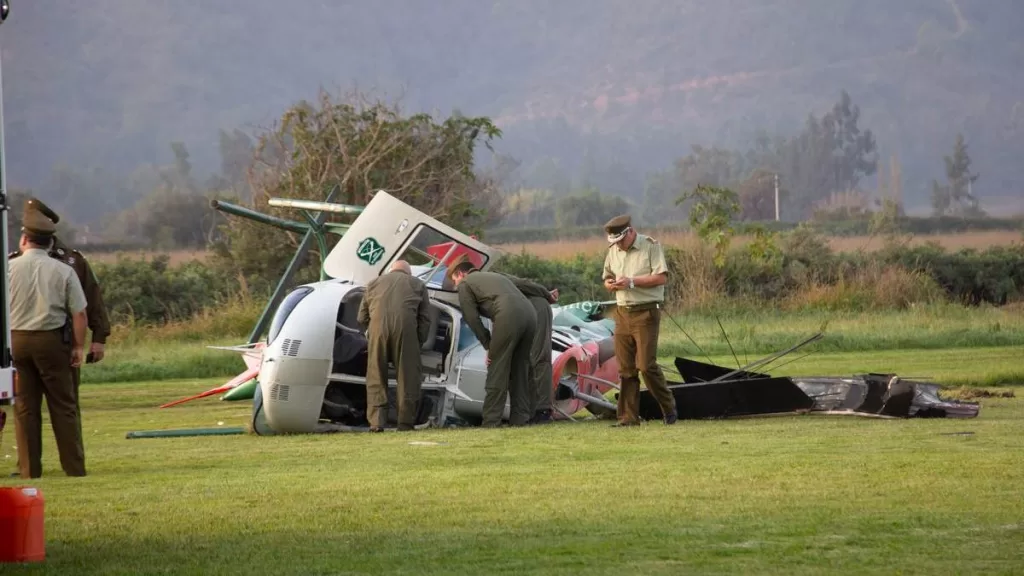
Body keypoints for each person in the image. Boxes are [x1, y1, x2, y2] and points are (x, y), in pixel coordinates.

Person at [10, 197, 110, 439]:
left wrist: (99, 337)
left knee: (64, 405)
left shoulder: (73, 261)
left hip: (63, 341)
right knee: (27, 408)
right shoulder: (15, 261)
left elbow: (92, 298)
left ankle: (68, 458)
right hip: (33, 339)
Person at [8, 204, 89, 478]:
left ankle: (29, 469)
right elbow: (79, 314)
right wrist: (78, 347)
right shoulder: (63, 270)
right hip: (51, 341)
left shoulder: (7, 268)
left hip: (16, 341)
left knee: (25, 408)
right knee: (63, 405)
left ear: (24, 239)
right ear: (50, 243)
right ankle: (73, 467)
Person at [602, 214, 678, 426]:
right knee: (626, 369)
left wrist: (632, 282)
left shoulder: (650, 246)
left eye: (620, 240)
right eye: (614, 242)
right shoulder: (613, 250)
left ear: (630, 232)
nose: (618, 245)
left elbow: (661, 277)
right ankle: (628, 418)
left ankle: (668, 407)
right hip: (622, 312)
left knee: (645, 366)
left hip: (646, 312)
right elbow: (607, 277)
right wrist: (610, 284)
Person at [450, 261, 537, 427]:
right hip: (530, 314)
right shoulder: (494, 276)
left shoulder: (466, 283)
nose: (455, 285)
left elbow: (471, 317)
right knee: (520, 369)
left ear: (461, 274)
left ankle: (491, 421)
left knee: (497, 369)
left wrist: (488, 344)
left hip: (509, 315)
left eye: (454, 280)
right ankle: (520, 419)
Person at [356, 260, 432, 431]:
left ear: (391, 270)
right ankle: (405, 423)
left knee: (376, 376)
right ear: (408, 272)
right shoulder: (418, 284)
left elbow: (361, 317)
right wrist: (417, 342)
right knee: (407, 378)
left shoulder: (372, 283)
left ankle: (376, 423)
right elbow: (425, 319)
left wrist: (371, 333)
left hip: (378, 331)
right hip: (406, 332)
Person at [503, 274, 559, 424]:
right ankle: (532, 409)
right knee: (526, 360)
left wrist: (547, 295)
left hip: (536, 309)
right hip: (522, 314)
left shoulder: (494, 278)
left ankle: (543, 409)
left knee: (539, 357)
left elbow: (524, 283)